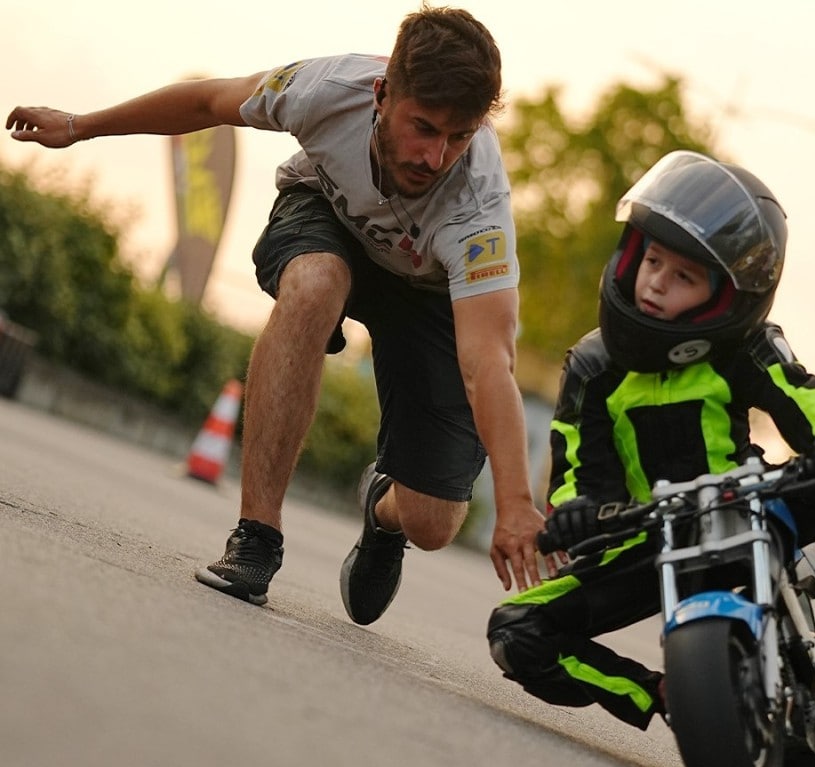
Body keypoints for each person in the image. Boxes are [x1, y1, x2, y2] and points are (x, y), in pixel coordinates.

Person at [7, 4, 557, 624]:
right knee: (314, 283)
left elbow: (488, 363)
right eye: (423, 127)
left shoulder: (478, 205)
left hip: (426, 289)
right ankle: (256, 539)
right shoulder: (325, 89)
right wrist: (80, 125)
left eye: (460, 137)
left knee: (433, 522)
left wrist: (514, 503)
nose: (435, 157)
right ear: (381, 95)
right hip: (325, 215)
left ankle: (383, 508)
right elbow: (206, 102)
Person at [486, 150, 815, 731]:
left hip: (753, 506)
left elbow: (804, 396)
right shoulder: (593, 366)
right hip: (648, 531)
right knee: (515, 630)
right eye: (652, 260)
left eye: (684, 276)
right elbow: (576, 475)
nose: (654, 283)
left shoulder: (745, 347)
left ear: (726, 293)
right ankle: (664, 694)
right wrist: (573, 515)